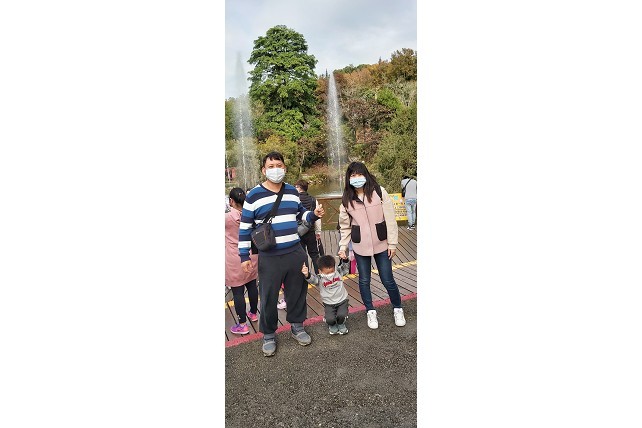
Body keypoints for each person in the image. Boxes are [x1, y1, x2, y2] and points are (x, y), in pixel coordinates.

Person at [239, 151, 326, 357]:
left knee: (297, 292)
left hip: (295, 251)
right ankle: (269, 334)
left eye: (279, 165)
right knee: (269, 296)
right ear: (264, 170)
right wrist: (244, 256)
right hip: (270, 256)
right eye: (271, 166)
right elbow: (245, 227)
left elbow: (301, 213)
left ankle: (297, 326)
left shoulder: (292, 191)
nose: (275, 169)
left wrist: (313, 214)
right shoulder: (253, 195)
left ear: (284, 168)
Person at [337, 161, 406, 329]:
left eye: (359, 174)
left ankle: (397, 308)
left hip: (382, 244)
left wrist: (392, 243)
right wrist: (343, 247)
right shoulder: (346, 199)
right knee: (364, 280)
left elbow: (390, 220)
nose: (357, 178)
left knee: (388, 279)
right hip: (360, 246)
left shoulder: (379, 192)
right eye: (353, 175)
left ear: (366, 175)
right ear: (349, 178)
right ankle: (370, 311)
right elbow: (345, 227)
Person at [225, 188, 259, 335]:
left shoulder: (227, 218)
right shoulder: (251, 214)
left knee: (237, 291)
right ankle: (253, 313)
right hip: (251, 255)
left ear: (231, 201)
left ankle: (242, 325)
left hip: (235, 258)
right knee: (252, 285)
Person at [302, 255, 350, 335]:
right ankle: (332, 324)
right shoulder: (320, 278)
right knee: (330, 319)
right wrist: (307, 274)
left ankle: (341, 323)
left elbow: (345, 269)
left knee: (342, 315)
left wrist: (345, 260)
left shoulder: (338, 272)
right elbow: (313, 280)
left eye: (332, 271)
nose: (330, 274)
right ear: (320, 271)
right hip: (329, 303)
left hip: (342, 299)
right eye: (327, 273)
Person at [295, 179, 324, 273]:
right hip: (310, 230)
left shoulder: (295, 200)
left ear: (299, 188)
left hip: (298, 232)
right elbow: (317, 217)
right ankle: (318, 274)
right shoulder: (313, 199)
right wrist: (318, 232)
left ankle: (306, 276)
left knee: (302, 255)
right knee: (315, 254)